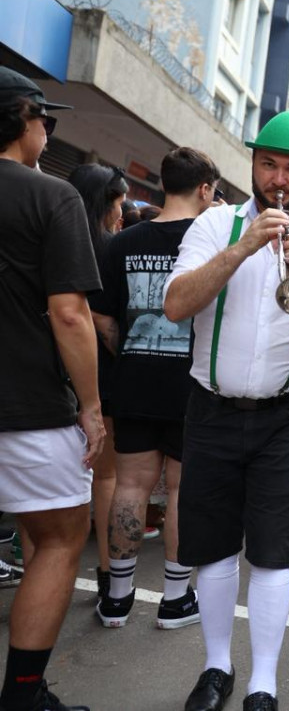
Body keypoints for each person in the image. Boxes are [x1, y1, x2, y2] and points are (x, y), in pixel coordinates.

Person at [164, 110, 289, 711]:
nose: (279, 178)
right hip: (211, 407)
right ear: (252, 164)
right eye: (269, 164)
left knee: (273, 548)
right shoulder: (214, 224)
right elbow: (175, 305)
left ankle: (263, 681)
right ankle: (217, 667)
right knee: (215, 546)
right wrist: (243, 248)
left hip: (286, 414)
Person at [0, 67, 100, 711]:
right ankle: (24, 697)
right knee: (61, 540)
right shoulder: (51, 197)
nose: (47, 131)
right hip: (28, 409)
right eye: (46, 120)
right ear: (21, 119)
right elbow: (70, 314)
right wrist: (92, 406)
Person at [92, 147, 220, 631]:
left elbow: (102, 314)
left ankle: (117, 599)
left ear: (165, 183)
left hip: (135, 381)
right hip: (194, 384)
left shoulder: (124, 240)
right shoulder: (210, 241)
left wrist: (128, 350)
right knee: (183, 490)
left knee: (130, 486)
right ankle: (173, 600)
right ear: (205, 189)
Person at [67, 164, 128, 602]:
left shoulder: (54, 240)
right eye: (119, 204)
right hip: (99, 377)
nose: (122, 214)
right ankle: (107, 572)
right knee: (105, 478)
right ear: (103, 204)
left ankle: (41, 570)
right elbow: (107, 325)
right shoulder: (109, 250)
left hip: (47, 377)